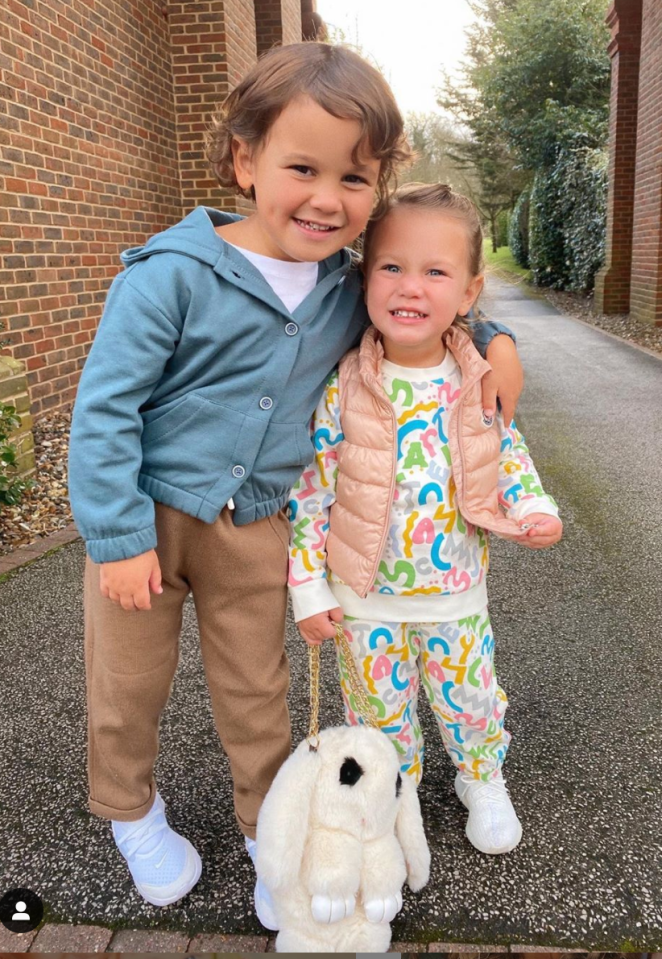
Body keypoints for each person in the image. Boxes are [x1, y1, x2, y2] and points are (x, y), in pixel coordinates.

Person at [69, 44, 522, 925]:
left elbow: (420, 305)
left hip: (259, 525)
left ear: (379, 186)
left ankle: (263, 823)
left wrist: (498, 337)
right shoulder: (170, 275)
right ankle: (131, 812)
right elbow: (104, 412)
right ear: (244, 160)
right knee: (128, 685)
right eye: (301, 167)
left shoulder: (345, 287)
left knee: (258, 687)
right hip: (147, 522)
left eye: (355, 178)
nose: (327, 197)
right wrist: (117, 539)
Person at [289, 182, 562, 866]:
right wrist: (310, 588)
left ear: (469, 293)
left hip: (456, 594)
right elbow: (312, 490)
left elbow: (507, 451)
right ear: (364, 278)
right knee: (378, 714)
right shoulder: (342, 385)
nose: (411, 286)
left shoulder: (475, 383)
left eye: (435, 271)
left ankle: (481, 776)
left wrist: (533, 507)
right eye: (392, 266)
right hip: (363, 599)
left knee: (469, 696)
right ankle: (392, 792)